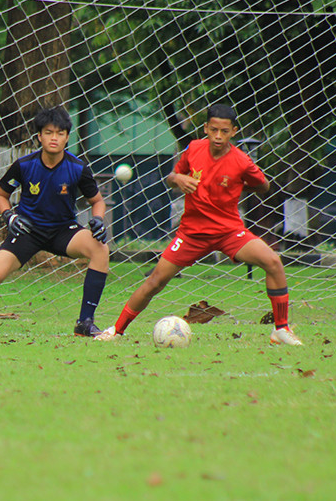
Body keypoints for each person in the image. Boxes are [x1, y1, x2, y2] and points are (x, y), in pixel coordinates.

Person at [98, 103, 302, 345]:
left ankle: (281, 329)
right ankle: (116, 330)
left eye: (224, 131)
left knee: (273, 262)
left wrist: (239, 186)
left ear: (234, 131)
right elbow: (171, 177)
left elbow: (264, 186)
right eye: (213, 129)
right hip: (192, 234)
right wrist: (179, 179)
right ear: (205, 128)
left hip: (229, 231)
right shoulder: (193, 149)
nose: (218, 136)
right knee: (155, 281)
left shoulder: (241, 161)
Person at [0, 105, 110, 338]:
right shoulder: (24, 165)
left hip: (64, 230)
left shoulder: (78, 168)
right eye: (48, 132)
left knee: (101, 249)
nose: (53, 138)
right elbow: (0, 195)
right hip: (27, 231)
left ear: (67, 137)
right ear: (39, 136)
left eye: (59, 133)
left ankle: (85, 323)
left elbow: (98, 201)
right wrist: (9, 216)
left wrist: (97, 219)